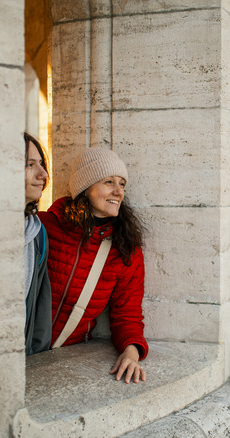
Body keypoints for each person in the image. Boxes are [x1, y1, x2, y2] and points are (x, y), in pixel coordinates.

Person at [39, 147, 148, 384]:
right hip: (18, 347)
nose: (118, 192)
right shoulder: (45, 227)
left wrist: (132, 352)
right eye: (109, 181)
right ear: (85, 188)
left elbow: (127, 313)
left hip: (63, 356)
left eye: (122, 184)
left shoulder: (125, 247)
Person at [23, 132, 52, 355]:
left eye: (41, 164)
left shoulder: (37, 231)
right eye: (30, 164)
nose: (43, 174)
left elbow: (40, 307)